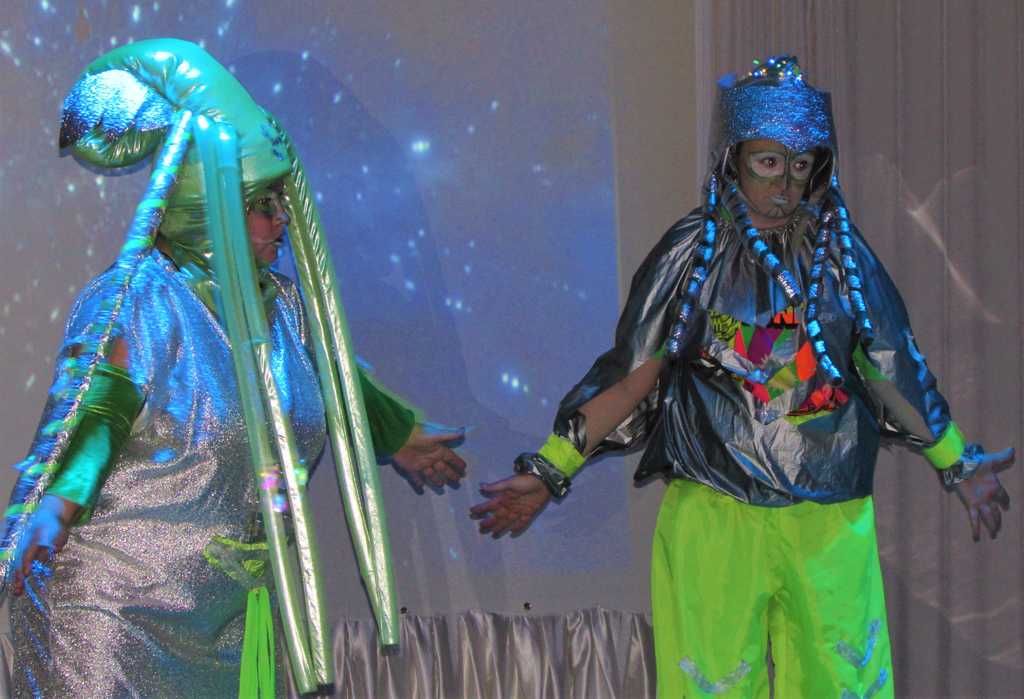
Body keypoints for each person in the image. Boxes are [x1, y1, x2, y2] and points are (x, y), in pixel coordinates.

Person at [471, 55, 1013, 697]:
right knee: (713, 684)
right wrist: (550, 468)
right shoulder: (692, 254)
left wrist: (957, 460)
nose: (785, 183)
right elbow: (633, 376)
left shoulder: (840, 256)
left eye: (801, 165)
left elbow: (890, 365)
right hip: (716, 514)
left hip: (828, 519)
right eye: (768, 162)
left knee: (845, 682)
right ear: (733, 159)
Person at [3, 39, 466, 697]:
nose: (281, 220)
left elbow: (336, 376)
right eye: (262, 204)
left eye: (281, 201)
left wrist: (401, 434)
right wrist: (56, 505)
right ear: (205, 203)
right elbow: (97, 410)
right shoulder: (137, 300)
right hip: (114, 624)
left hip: (232, 622)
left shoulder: (285, 308)